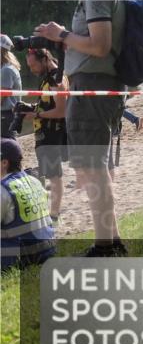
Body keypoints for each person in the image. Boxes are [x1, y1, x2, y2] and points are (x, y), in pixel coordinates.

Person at [33, 0, 130, 256]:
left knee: (92, 166)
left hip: (93, 83)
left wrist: (61, 35)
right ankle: (112, 241)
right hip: (102, 84)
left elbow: (100, 46)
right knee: (95, 165)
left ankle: (105, 246)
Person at [21, 48, 68, 223]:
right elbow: (48, 105)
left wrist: (37, 114)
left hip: (52, 133)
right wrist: (31, 108)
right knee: (51, 175)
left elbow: (62, 111)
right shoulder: (48, 77)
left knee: (54, 176)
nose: (32, 69)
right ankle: (52, 212)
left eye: (33, 65)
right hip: (45, 132)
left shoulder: (57, 78)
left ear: (45, 59)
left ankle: (54, 214)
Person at [1, 138, 56, 272]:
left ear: (4, 163)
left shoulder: (3, 189)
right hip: (47, 250)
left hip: (20, 258)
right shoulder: (34, 181)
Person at [1, 35, 22, 139]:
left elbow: (2, 96)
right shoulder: (7, 67)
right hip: (10, 114)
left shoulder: (6, 70)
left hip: (6, 115)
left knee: (7, 145)